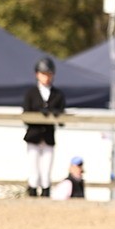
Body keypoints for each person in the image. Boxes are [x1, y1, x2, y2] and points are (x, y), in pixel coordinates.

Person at [22, 57, 66, 197]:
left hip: (48, 136)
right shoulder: (31, 93)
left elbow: (62, 119)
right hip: (34, 135)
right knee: (33, 171)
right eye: (43, 74)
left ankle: (46, 194)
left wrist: (54, 113)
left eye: (49, 74)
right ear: (37, 74)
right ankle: (32, 193)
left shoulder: (58, 94)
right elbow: (26, 116)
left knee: (46, 171)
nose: (46, 77)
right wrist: (39, 115)